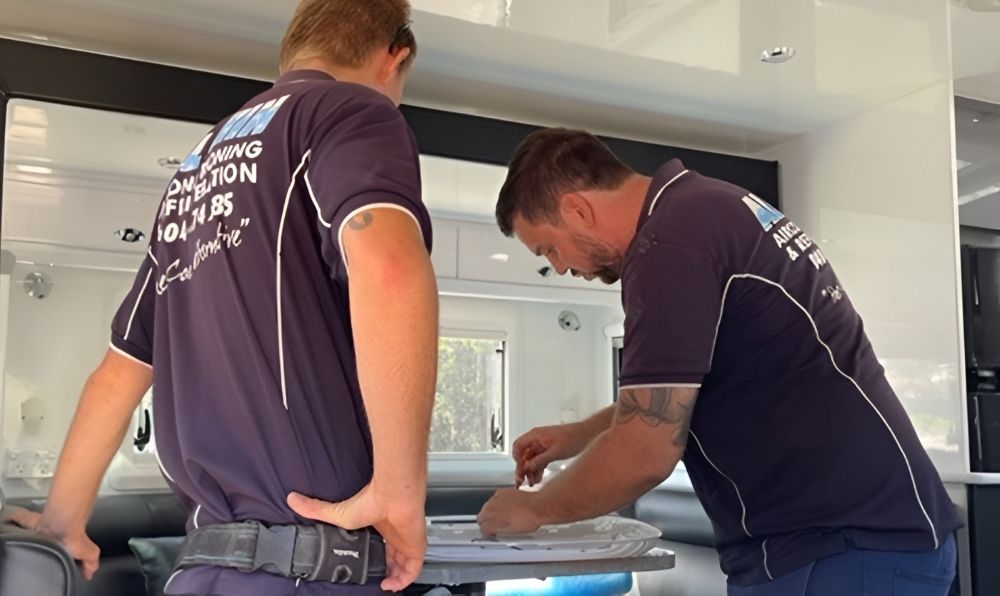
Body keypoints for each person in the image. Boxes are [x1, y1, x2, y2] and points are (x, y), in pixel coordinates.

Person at [12, 1, 439, 594]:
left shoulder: (192, 174)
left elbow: (118, 373)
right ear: (395, 57)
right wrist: (398, 489)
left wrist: (62, 522)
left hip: (205, 572)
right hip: (311, 570)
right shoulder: (351, 110)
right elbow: (389, 269)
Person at [478, 128, 962, 595]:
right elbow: (678, 394)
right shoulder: (703, 208)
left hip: (839, 544)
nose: (561, 267)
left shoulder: (669, 245)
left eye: (550, 248)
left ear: (577, 209)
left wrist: (535, 509)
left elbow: (645, 451)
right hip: (854, 538)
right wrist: (578, 435)